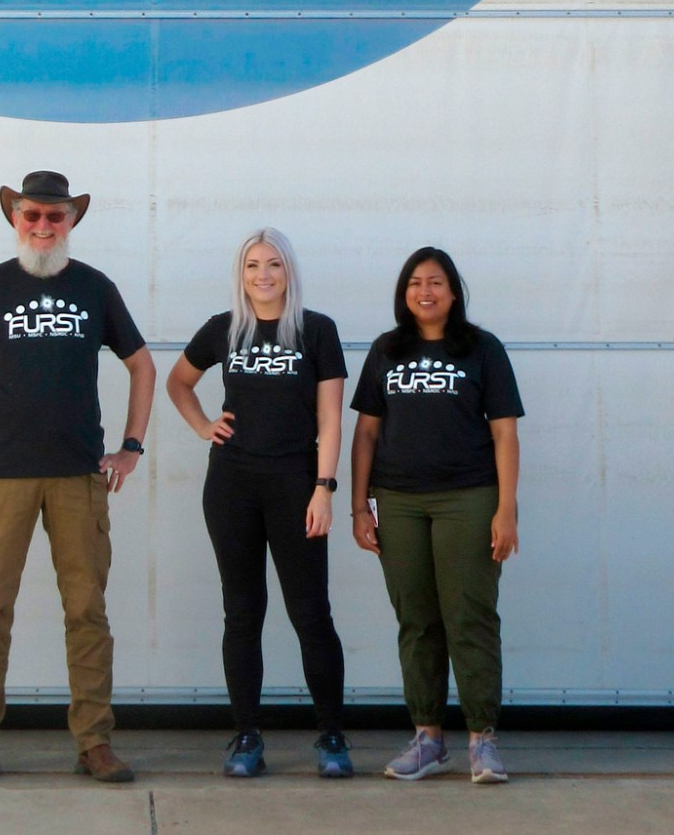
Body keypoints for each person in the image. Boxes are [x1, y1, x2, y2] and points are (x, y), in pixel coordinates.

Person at [0, 170, 155, 786]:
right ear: (15, 219)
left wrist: (130, 447)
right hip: (1, 478)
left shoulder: (94, 288)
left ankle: (94, 743)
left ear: (71, 221)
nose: (44, 227)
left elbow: (142, 365)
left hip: (79, 475)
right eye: (33, 216)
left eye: (56, 217)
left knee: (86, 611)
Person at [167, 228, 352, 780]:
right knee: (242, 612)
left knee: (310, 613)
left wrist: (325, 487)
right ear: (240, 274)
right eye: (252, 265)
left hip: (297, 484)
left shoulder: (317, 331)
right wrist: (203, 424)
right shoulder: (222, 330)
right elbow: (179, 383)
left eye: (273, 264)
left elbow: (330, 418)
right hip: (232, 485)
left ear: (288, 271)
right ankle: (246, 734)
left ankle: (332, 735)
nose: (263, 275)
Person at [350, 247, 522, 786]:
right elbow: (367, 433)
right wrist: (359, 505)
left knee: (469, 616)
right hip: (398, 501)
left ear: (453, 292)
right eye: (415, 283)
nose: (426, 291)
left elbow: (504, 432)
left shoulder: (482, 348)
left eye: (437, 282)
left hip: (468, 498)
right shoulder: (386, 350)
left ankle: (482, 740)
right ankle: (428, 738)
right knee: (417, 621)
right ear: (405, 294)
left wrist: (506, 508)